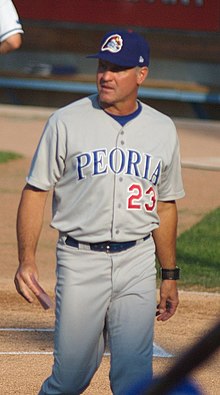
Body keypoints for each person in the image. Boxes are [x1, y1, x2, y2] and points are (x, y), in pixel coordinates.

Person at [14, 30, 185, 395]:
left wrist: (169, 273)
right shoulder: (66, 121)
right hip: (80, 260)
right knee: (71, 378)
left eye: (118, 68)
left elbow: (165, 204)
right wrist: (26, 259)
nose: (106, 75)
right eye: (103, 66)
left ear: (141, 74)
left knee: (134, 379)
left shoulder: (163, 129)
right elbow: (36, 190)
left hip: (138, 261)